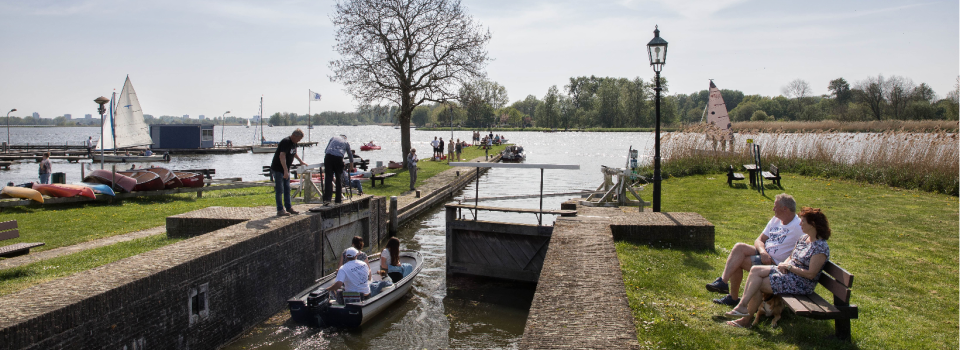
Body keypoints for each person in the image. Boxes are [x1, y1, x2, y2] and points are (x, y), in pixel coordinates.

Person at [724, 207, 832, 328]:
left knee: (757, 284)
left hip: (801, 283)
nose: (800, 223)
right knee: (755, 270)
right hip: (789, 274)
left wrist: (789, 267)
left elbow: (811, 274)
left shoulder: (820, 247)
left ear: (813, 224)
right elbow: (791, 256)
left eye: (803, 221)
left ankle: (744, 318)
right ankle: (742, 307)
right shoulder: (804, 239)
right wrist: (783, 264)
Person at [706, 193, 803, 306]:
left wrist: (784, 264)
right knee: (739, 247)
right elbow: (759, 240)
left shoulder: (799, 226)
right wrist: (763, 252)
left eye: (775, 206)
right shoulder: (776, 220)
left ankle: (732, 297)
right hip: (765, 255)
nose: (773, 209)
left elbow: (803, 249)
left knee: (737, 261)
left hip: (775, 264)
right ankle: (723, 282)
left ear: (785, 209)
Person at [271, 129, 307, 216]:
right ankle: (280, 209)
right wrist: (285, 171)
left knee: (287, 189)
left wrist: (301, 161)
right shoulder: (286, 142)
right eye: (298, 139)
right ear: (294, 135)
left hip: (285, 169)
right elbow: (282, 156)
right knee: (280, 190)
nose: (299, 141)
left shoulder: (294, 143)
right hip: (278, 169)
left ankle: (288, 207)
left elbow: (294, 153)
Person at [323, 134, 355, 205]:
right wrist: (351, 167)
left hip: (328, 157)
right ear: (345, 138)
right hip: (338, 158)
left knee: (328, 178)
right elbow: (350, 155)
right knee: (338, 179)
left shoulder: (333, 137)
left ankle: (327, 199)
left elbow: (326, 150)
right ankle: (338, 199)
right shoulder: (346, 142)